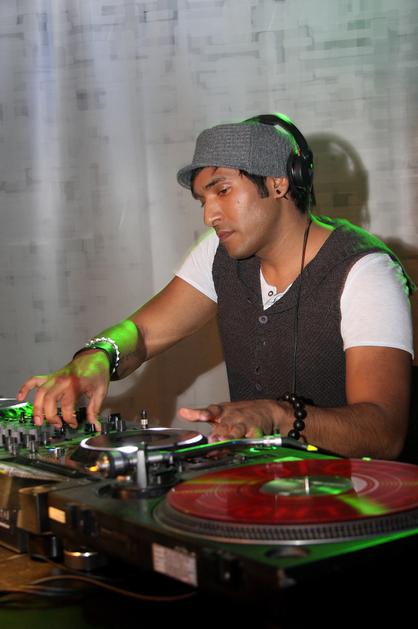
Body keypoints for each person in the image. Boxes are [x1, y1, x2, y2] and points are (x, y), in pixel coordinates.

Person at [17, 113, 414, 459]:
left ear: (280, 181)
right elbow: (143, 334)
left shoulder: (366, 272)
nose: (209, 215)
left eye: (223, 191)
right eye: (202, 200)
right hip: (261, 494)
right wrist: (99, 355)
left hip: (353, 504)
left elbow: (384, 432)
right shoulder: (219, 254)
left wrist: (277, 415)